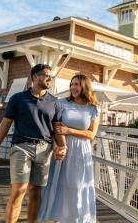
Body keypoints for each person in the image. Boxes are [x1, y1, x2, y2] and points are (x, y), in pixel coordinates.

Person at [0, 64, 67, 223]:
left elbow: (57, 129)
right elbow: (5, 123)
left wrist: (63, 146)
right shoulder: (18, 98)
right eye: (46, 75)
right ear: (35, 77)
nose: (49, 78)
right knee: (19, 190)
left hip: (45, 150)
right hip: (21, 148)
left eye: (51, 75)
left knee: (35, 191)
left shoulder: (55, 102)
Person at [37, 74, 100, 223]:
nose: (73, 87)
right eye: (72, 84)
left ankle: (76, 218)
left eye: (77, 84)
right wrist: (60, 146)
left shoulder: (93, 108)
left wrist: (70, 130)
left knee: (77, 185)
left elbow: (91, 134)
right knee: (59, 184)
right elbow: (56, 127)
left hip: (81, 151)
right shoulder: (62, 103)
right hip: (62, 148)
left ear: (84, 86)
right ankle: (57, 218)